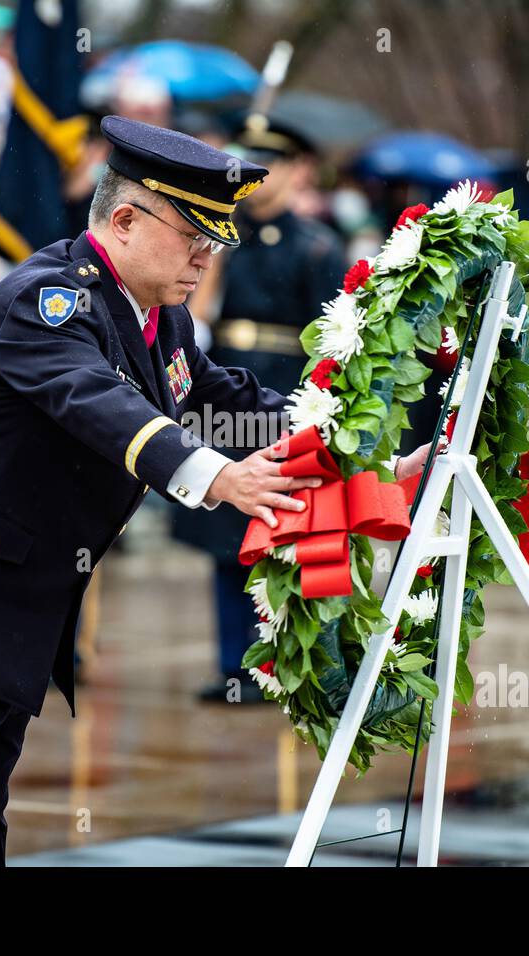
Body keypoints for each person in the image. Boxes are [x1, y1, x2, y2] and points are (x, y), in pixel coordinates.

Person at [0, 115, 431, 865]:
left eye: (214, 243)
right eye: (194, 238)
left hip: (6, 615)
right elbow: (94, 400)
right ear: (123, 219)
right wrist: (216, 476)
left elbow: (232, 402)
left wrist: (362, 455)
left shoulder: (159, 318)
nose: (206, 259)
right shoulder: (47, 299)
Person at [173, 113, 350, 703]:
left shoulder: (318, 245)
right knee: (223, 533)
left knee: (280, 534)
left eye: (273, 164)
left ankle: (278, 661)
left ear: (298, 172)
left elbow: (333, 335)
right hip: (221, 388)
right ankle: (233, 664)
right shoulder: (224, 235)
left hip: (280, 397)